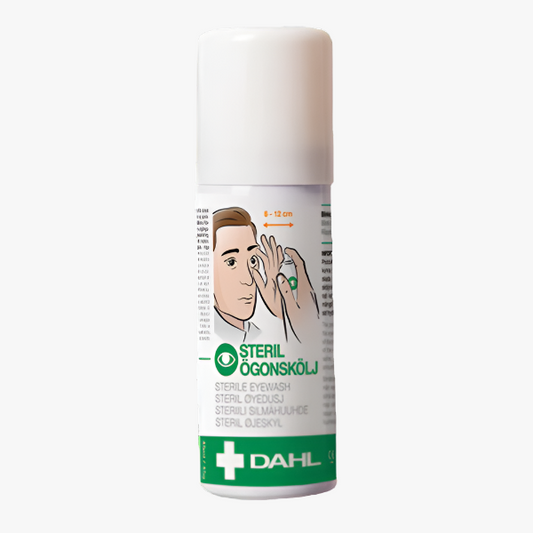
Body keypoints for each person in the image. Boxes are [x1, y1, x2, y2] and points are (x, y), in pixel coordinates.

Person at [212, 207, 319, 343]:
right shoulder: (211, 336)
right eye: (231, 262)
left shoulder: (256, 334)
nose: (249, 280)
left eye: (253, 260)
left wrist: (286, 314)